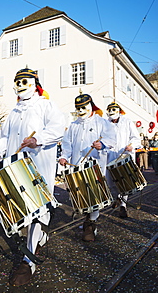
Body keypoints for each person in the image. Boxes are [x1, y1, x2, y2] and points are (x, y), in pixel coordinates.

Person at [0, 68, 65, 287]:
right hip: (16, 167)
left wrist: (38, 138)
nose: (20, 85)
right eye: (17, 81)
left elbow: (58, 128)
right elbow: (4, 137)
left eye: (25, 81)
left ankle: (28, 259)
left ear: (34, 83)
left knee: (36, 209)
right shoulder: (13, 111)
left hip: (38, 165)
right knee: (20, 209)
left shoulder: (45, 104)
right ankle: (38, 238)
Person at [59, 94, 116, 242]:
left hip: (95, 164)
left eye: (84, 107)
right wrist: (64, 156)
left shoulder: (102, 122)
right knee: (81, 194)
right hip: (77, 165)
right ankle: (87, 218)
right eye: (78, 108)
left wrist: (102, 145)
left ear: (91, 105)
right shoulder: (73, 125)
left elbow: (111, 139)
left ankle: (90, 223)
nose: (81, 110)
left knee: (94, 193)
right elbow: (67, 144)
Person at [106, 102, 142, 218]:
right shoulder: (105, 124)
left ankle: (123, 205)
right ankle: (116, 197)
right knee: (110, 181)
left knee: (123, 181)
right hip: (110, 156)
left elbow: (136, 138)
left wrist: (132, 146)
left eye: (114, 109)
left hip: (124, 155)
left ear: (119, 111)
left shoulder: (127, 122)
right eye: (109, 110)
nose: (112, 112)